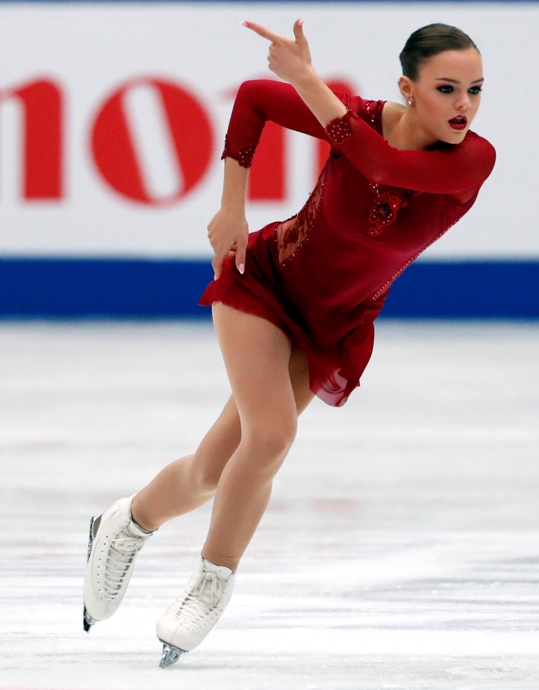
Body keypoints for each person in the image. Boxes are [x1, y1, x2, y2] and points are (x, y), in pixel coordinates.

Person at [81, 19, 495, 668]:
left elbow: (382, 164)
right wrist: (231, 206)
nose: (464, 105)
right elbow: (253, 98)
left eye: (474, 89)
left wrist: (307, 80)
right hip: (266, 279)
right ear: (408, 89)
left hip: (335, 323)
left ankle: (124, 525)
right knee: (269, 437)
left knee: (211, 473)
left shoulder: (473, 160)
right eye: (447, 88)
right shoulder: (357, 116)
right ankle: (211, 583)